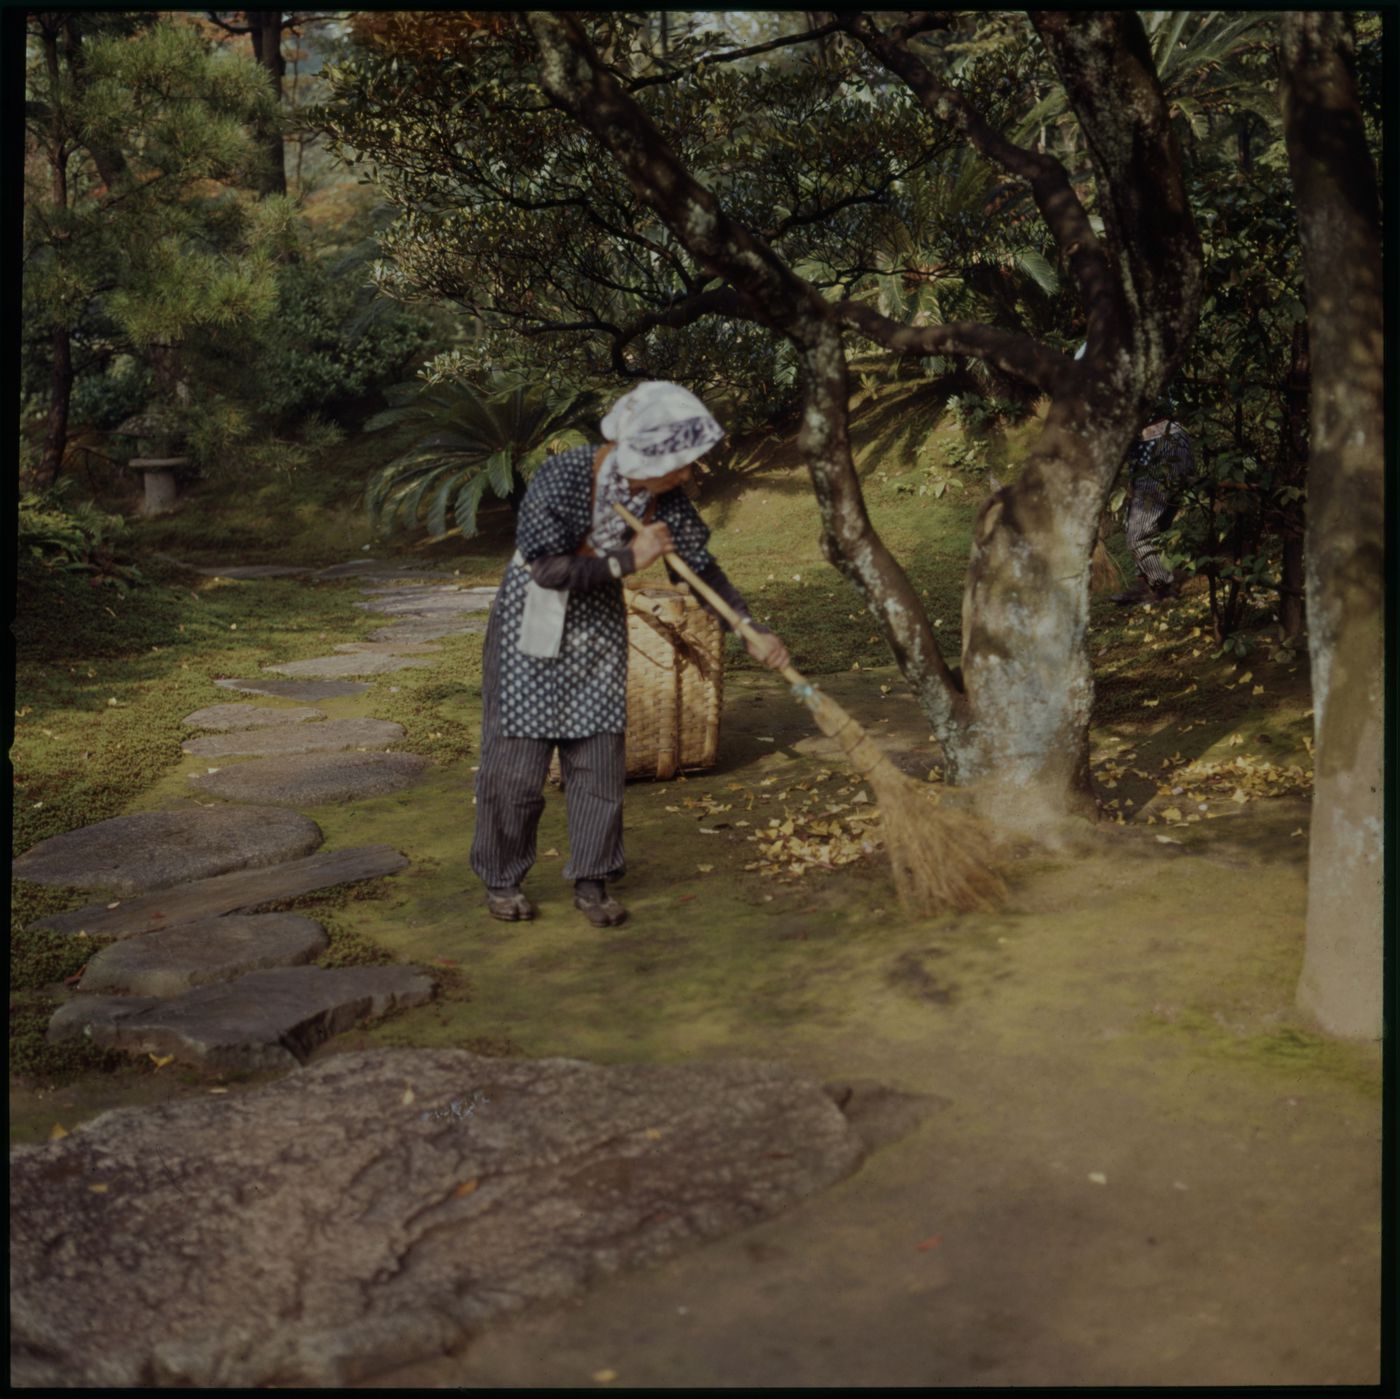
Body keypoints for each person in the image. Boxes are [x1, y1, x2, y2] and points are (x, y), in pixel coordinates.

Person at [469, 381, 790, 928]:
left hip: (596, 623)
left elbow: (698, 567)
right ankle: (502, 879)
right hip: (534, 618)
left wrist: (747, 627)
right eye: (681, 462)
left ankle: (592, 881)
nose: (688, 474)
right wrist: (628, 558)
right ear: (647, 452)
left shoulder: (660, 495)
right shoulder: (564, 476)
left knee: (597, 758)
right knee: (517, 768)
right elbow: (547, 569)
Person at [1113, 406, 1197, 606]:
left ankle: (1163, 589)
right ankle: (1146, 582)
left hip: (1159, 442)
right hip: (1164, 439)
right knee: (1142, 519)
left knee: (1138, 535)